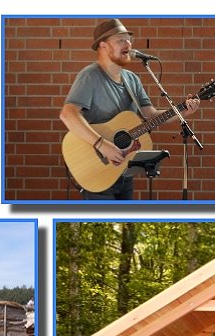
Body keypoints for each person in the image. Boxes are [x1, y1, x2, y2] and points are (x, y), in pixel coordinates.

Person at [59, 18, 200, 200]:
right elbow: (67, 115)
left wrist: (182, 111)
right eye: (120, 40)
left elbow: (150, 116)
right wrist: (103, 145)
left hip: (123, 171)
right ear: (103, 46)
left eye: (128, 39)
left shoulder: (131, 79)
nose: (128, 44)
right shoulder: (90, 76)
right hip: (95, 168)